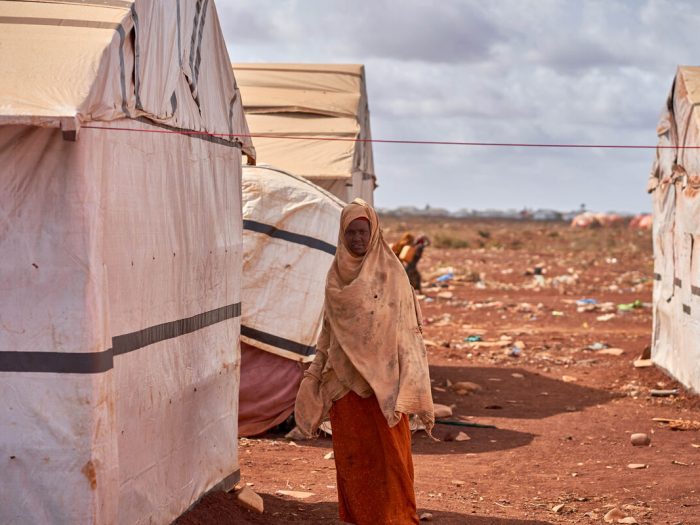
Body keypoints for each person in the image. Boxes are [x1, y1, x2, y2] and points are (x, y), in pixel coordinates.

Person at [295, 198, 434, 525]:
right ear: (342, 234)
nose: (357, 239)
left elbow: (408, 334)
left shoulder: (392, 273)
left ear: (374, 234)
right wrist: (315, 374)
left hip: (384, 389)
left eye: (363, 232)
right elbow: (329, 331)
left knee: (391, 462)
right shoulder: (335, 276)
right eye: (351, 232)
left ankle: (397, 519)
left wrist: (410, 383)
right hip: (346, 387)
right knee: (353, 461)